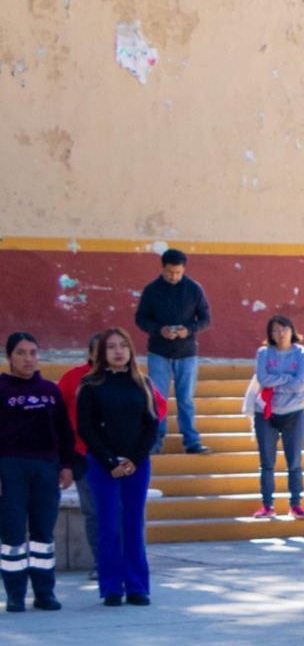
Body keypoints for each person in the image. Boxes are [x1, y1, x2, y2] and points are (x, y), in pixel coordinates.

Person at [73, 329, 159, 606]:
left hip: (137, 465)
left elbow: (151, 426)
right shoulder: (90, 384)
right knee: (108, 524)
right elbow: (85, 428)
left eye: (123, 345)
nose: (118, 351)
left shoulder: (142, 382)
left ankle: (137, 587)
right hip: (102, 465)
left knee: (133, 524)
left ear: (131, 350)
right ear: (101, 353)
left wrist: (133, 460)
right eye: (111, 347)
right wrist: (110, 460)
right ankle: (111, 587)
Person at [0, 334, 75, 613]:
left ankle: (45, 593)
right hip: (10, 469)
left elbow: (64, 432)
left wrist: (66, 465)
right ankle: (15, 595)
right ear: (10, 357)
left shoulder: (49, 391)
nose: (28, 358)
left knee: (43, 534)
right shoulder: (2, 389)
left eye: (33, 352)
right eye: (21, 353)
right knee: (12, 536)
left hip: (46, 468)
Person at [133, 248, 211, 455]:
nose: (174, 276)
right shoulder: (151, 290)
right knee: (158, 399)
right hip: (159, 351)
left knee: (186, 399)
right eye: (170, 272)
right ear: (163, 268)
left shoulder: (194, 289)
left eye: (178, 272)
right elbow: (141, 318)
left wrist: (189, 330)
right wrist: (159, 330)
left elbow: (205, 318)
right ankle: (155, 441)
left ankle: (192, 441)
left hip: (187, 352)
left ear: (184, 269)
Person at [251, 316, 304, 520]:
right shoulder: (264, 353)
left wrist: (276, 382)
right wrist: (287, 379)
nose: (281, 333)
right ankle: (267, 504)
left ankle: (296, 504)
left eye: (284, 328)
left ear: (291, 330)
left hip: (294, 412)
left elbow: (300, 384)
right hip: (266, 412)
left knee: (294, 461)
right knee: (267, 462)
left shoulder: (302, 354)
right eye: (275, 330)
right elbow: (262, 379)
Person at [55, 332, 106, 576]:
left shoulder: (131, 379)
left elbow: (156, 407)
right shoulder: (74, 378)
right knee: (94, 512)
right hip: (84, 456)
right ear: (89, 354)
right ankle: (101, 562)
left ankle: (121, 562)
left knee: (118, 512)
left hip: (119, 457)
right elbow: (54, 412)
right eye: (101, 351)